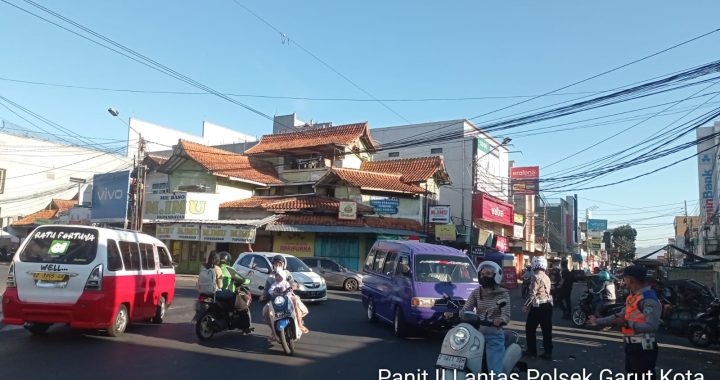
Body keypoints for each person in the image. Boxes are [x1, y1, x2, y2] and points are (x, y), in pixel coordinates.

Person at [590, 265, 661, 379]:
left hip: (643, 346)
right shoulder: (633, 297)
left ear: (631, 279)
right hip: (632, 345)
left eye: (625, 278)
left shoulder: (648, 300)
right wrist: (598, 321)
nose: (624, 281)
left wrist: (626, 324)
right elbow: (620, 315)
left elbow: (652, 325)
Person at [461, 261, 511, 375]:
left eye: (488, 274)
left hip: (493, 334)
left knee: (494, 371)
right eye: (482, 274)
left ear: (496, 276)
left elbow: (506, 314)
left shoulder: (503, 294)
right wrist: (456, 314)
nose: (484, 276)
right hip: (475, 333)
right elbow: (466, 309)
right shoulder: (476, 292)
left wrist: (500, 320)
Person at [261, 255, 309, 343]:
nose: (278, 265)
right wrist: (263, 295)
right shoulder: (270, 277)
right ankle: (274, 331)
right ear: (273, 265)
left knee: (296, 301)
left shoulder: (287, 273)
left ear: (283, 265)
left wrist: (293, 286)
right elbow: (266, 289)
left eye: (280, 264)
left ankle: (300, 324)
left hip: (288, 296)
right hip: (275, 300)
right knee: (265, 311)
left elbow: (293, 283)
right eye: (276, 264)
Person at [523, 256, 554, 360]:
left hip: (538, 307)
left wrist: (526, 305)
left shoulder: (535, 277)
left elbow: (532, 294)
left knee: (530, 328)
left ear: (534, 265)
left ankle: (532, 351)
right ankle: (548, 352)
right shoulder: (547, 277)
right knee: (546, 330)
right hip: (548, 305)